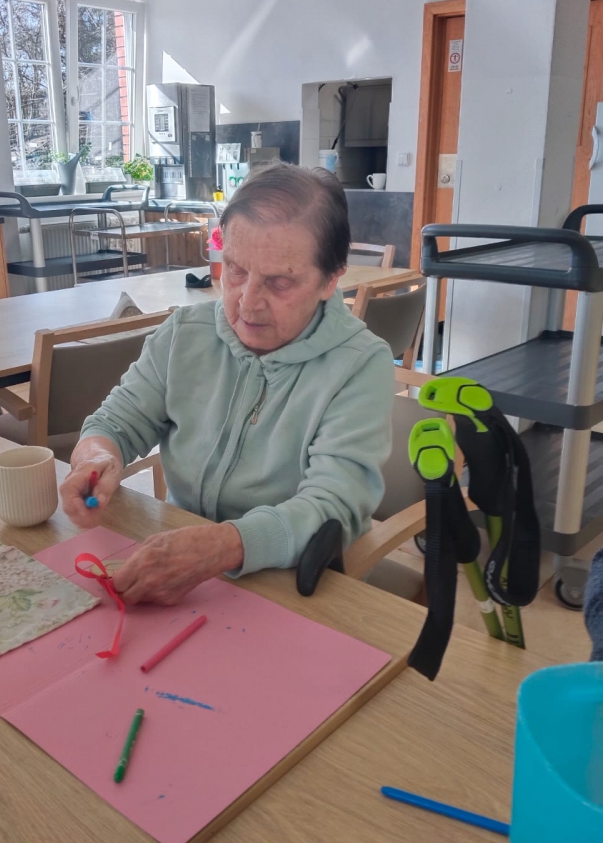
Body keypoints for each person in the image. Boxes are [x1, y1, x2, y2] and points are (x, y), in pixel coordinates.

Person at [60, 163, 394, 605]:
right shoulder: (184, 333)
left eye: (279, 282)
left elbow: (333, 508)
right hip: (181, 561)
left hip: (291, 585)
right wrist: (96, 457)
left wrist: (222, 546)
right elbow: (115, 422)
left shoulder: (360, 365)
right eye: (235, 270)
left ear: (331, 279)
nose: (247, 303)